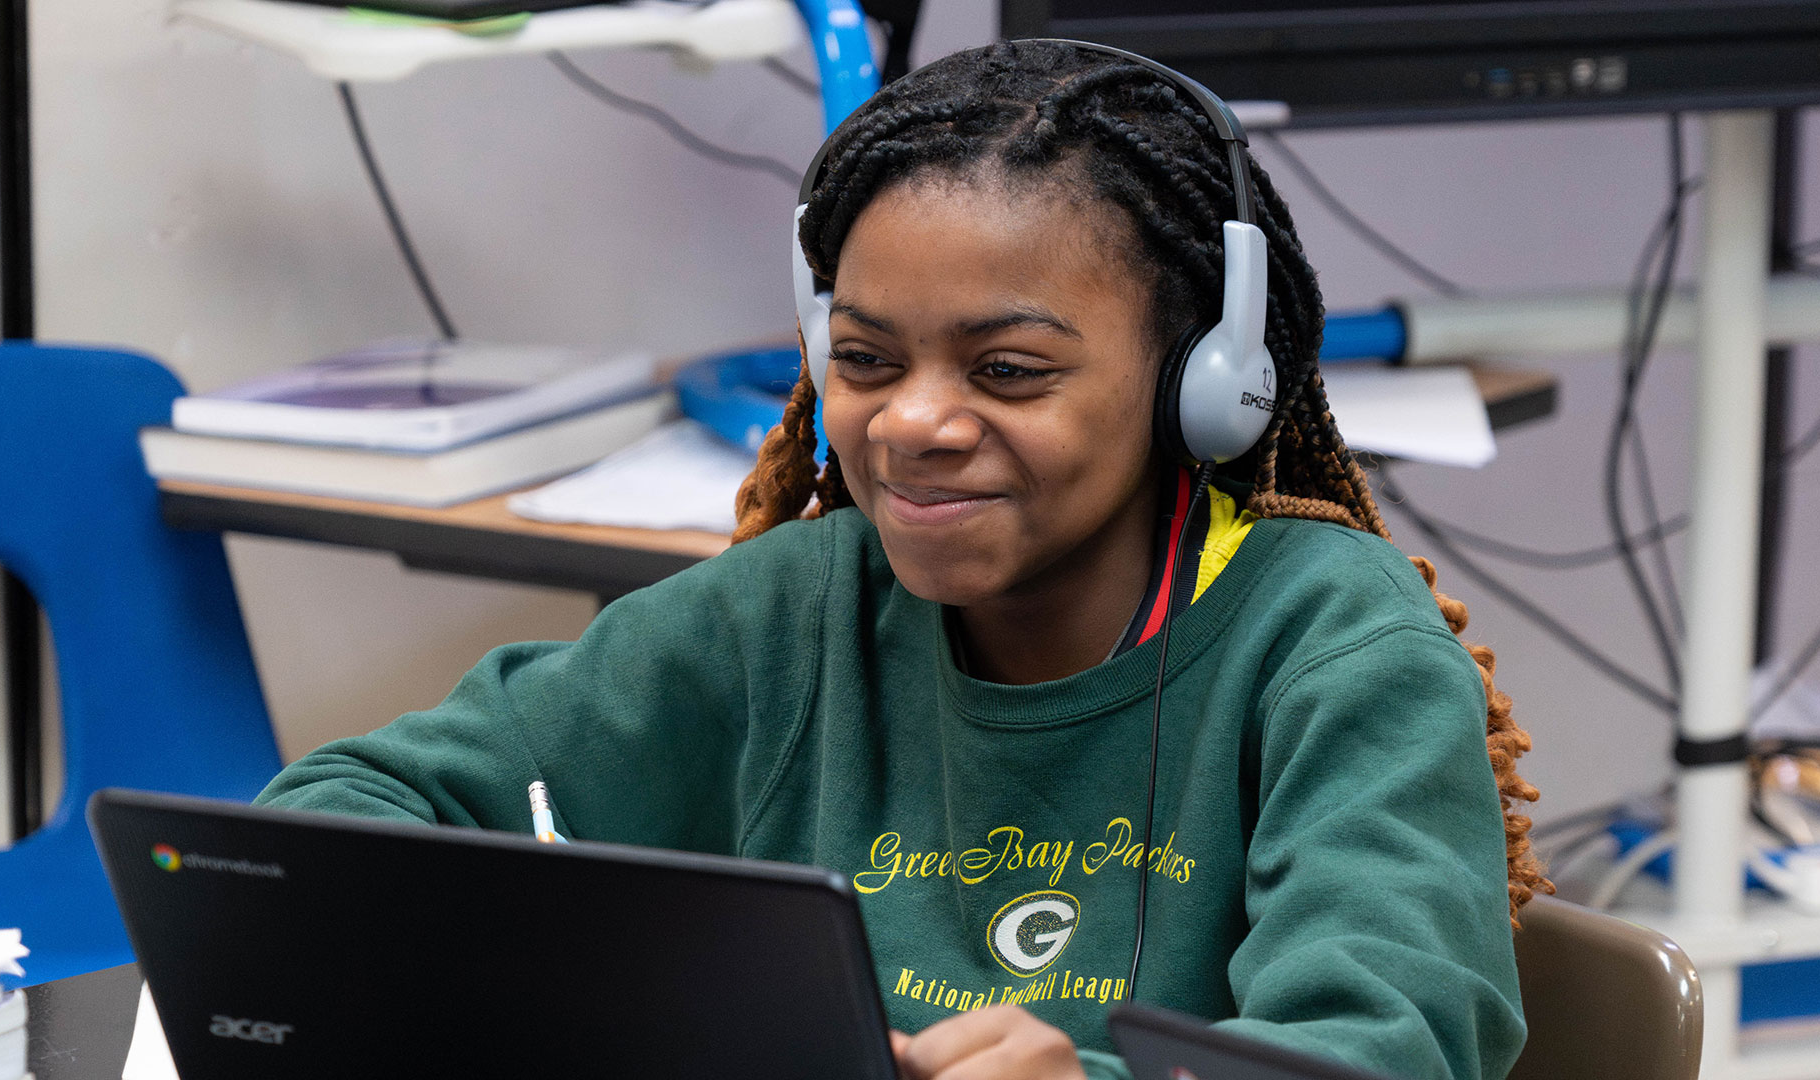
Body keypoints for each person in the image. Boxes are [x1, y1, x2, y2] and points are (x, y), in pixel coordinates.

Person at [258, 39, 1548, 1080]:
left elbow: (1390, 1051)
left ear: (1204, 383)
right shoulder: (792, 608)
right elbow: (328, 827)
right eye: (866, 361)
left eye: (1009, 371)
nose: (914, 423)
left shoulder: (1334, 650)